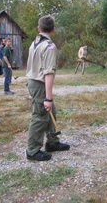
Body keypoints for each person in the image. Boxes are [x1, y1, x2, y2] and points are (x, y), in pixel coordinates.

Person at [26, 15, 70, 161]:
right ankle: (32, 150)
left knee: (52, 111)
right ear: (53, 30)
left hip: (34, 81)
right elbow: (48, 73)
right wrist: (48, 98)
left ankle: (52, 143)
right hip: (39, 83)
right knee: (39, 116)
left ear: (39, 28)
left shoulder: (35, 43)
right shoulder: (49, 46)